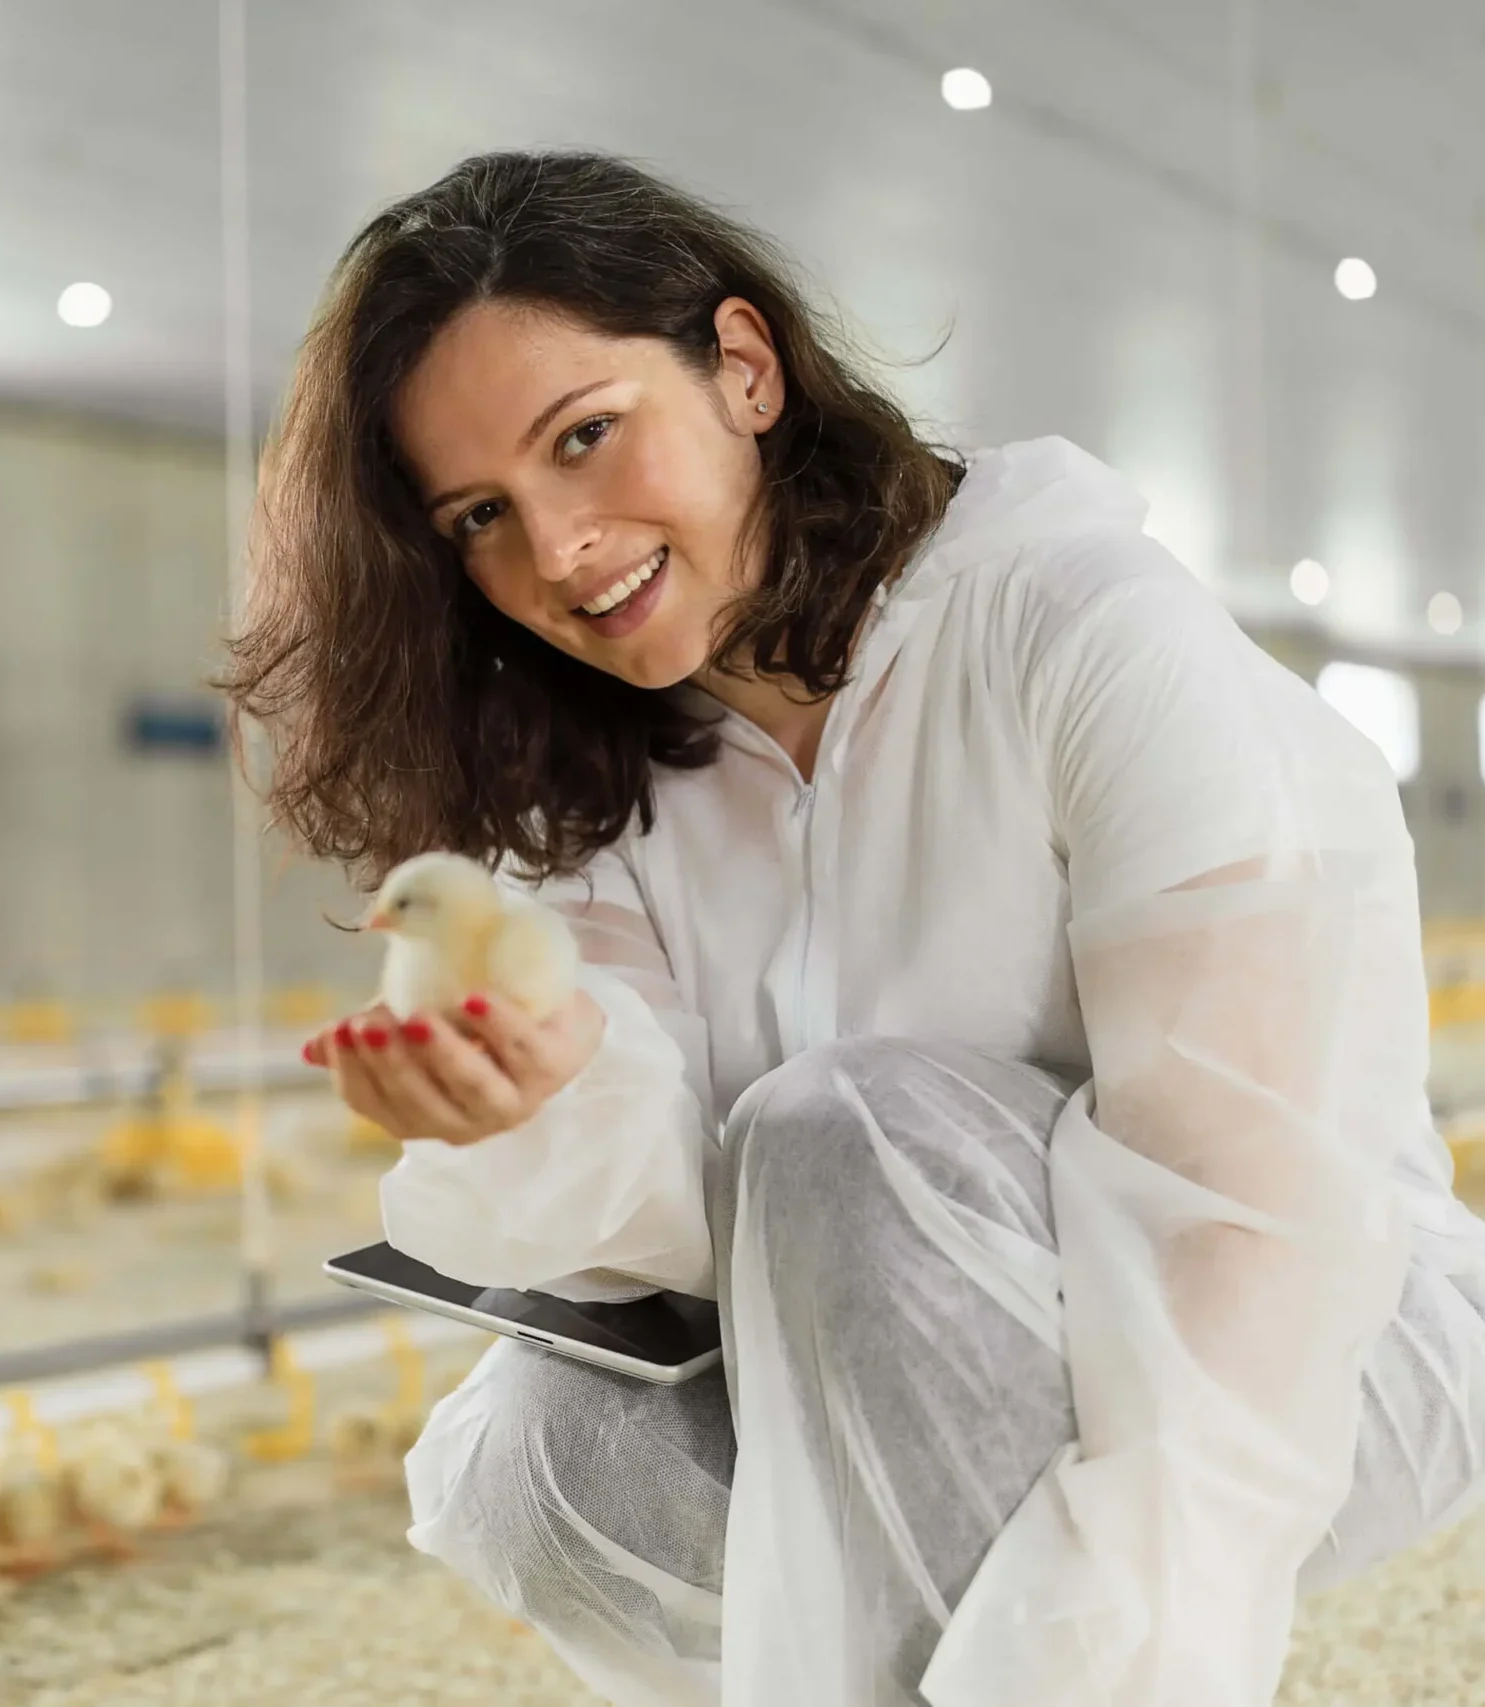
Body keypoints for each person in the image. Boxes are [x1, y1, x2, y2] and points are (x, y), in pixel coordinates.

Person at [221, 150, 1485, 1707]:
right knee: (536, 1458)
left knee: (844, 1126)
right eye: (481, 514)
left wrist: (1111, 1634)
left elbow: (1250, 1214)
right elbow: (695, 1235)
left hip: (1312, 1340)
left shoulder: (1079, 635)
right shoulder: (592, 781)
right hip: (898, 1350)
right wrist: (549, 1093)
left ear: (743, 369)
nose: (555, 550)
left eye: (588, 438)